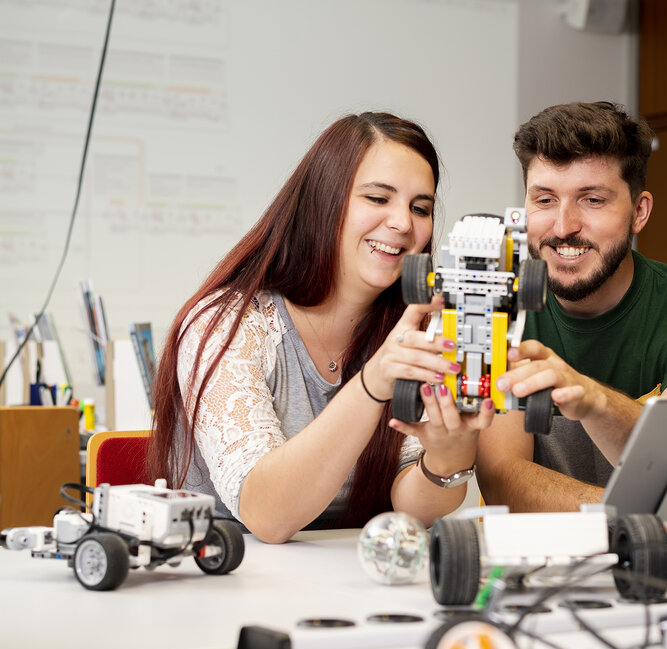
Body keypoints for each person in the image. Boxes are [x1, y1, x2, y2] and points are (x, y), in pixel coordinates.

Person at [147, 112, 493, 544]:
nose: (403, 223)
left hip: (352, 585)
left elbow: (411, 508)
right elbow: (267, 515)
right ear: (324, 200)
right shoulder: (228, 325)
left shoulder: (417, 328)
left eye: (420, 207)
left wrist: (446, 457)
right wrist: (373, 382)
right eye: (378, 198)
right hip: (230, 585)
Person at [477, 101, 667, 512]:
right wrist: (618, 513)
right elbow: (501, 476)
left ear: (639, 212)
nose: (564, 227)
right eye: (545, 200)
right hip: (533, 563)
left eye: (592, 200)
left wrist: (591, 400)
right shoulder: (498, 305)